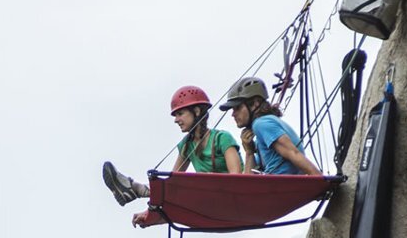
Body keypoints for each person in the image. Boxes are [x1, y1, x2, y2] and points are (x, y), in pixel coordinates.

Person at [102, 86, 242, 224]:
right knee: (174, 185)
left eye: (180, 114)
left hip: (233, 196)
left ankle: (137, 189)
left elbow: (236, 179)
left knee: (191, 184)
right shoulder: (187, 145)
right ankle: (136, 190)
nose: (175, 120)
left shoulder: (222, 138)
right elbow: (172, 184)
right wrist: (148, 213)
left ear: (197, 111)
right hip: (209, 201)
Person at [218, 77, 322, 176]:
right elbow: (249, 183)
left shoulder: (261, 124)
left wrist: (321, 180)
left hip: (281, 187)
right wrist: (249, 152)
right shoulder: (261, 133)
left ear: (255, 103)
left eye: (237, 108)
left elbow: (293, 153)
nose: (233, 114)